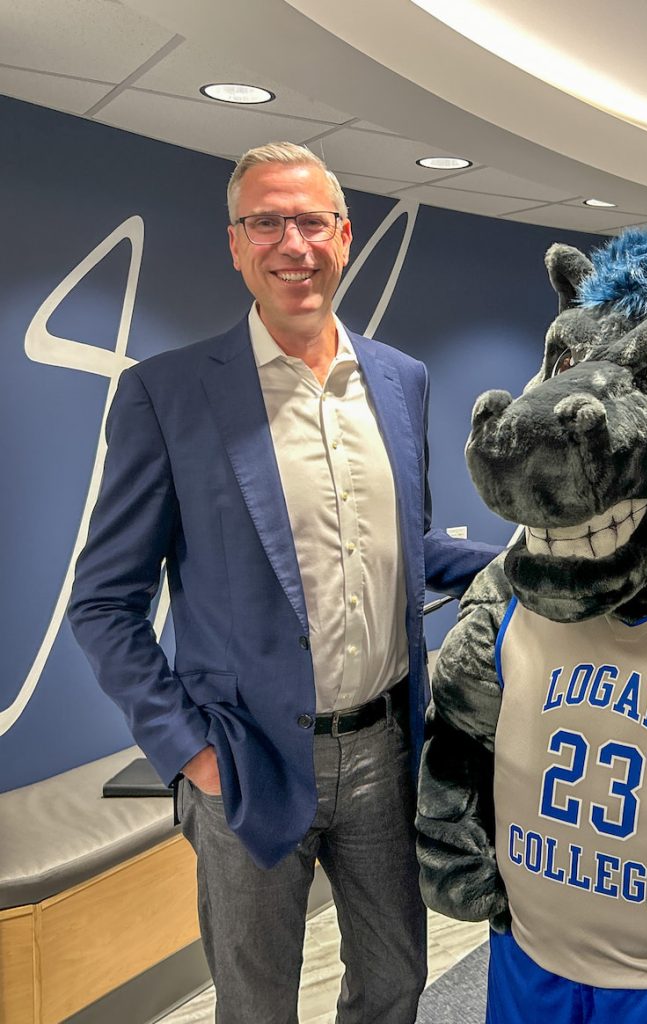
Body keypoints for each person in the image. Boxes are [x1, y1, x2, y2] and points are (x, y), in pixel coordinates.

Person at [69, 142, 500, 1024]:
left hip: (387, 750)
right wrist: (189, 752)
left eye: (309, 221)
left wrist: (529, 567)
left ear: (343, 237)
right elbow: (104, 603)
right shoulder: (169, 393)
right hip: (244, 762)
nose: (291, 243)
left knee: (394, 984)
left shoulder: (399, 380)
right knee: (257, 1002)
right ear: (236, 245)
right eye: (266, 221)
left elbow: (406, 546)